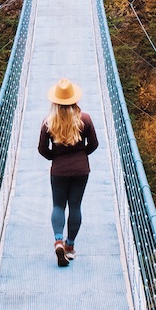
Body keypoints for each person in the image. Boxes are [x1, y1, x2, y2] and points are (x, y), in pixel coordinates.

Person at [37, 77, 98, 267]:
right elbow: (94, 144)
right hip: (81, 170)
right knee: (75, 206)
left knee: (58, 206)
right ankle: (70, 246)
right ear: (75, 99)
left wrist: (55, 158)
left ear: (55, 101)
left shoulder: (48, 122)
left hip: (59, 171)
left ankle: (58, 241)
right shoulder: (85, 120)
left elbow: (42, 149)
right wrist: (81, 155)